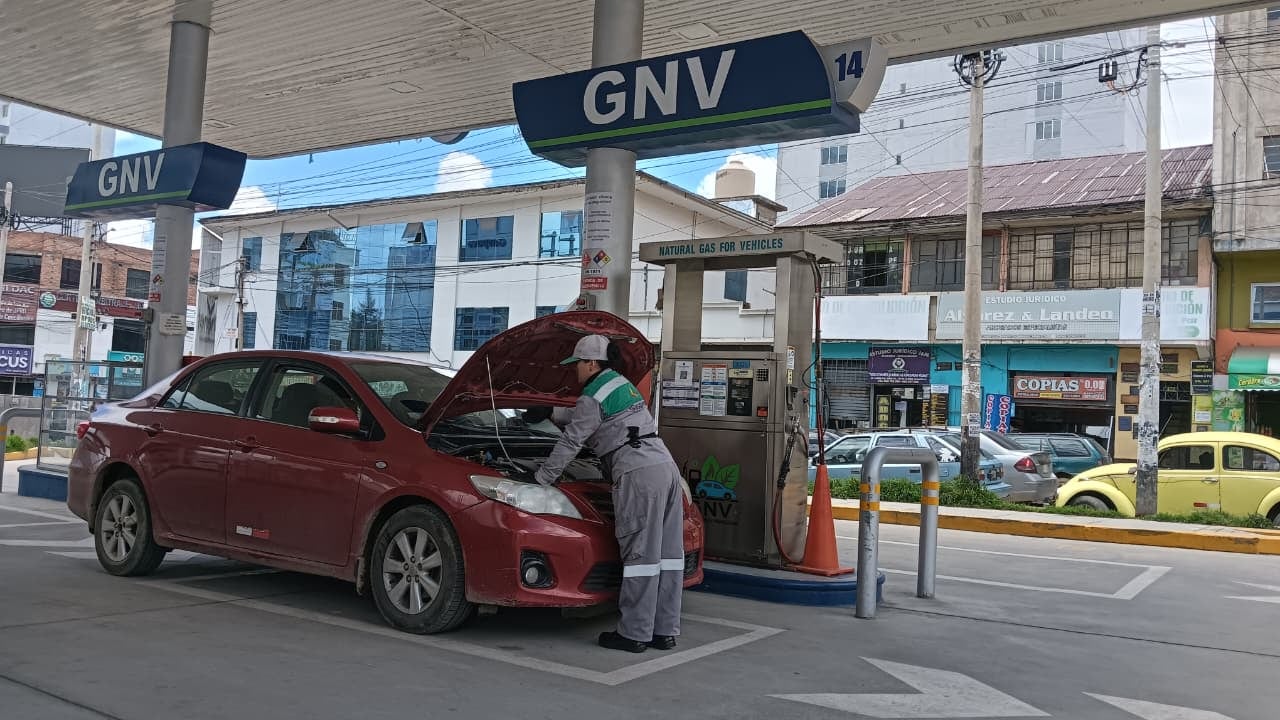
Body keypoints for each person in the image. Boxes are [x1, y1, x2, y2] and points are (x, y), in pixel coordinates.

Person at [530, 334, 684, 654]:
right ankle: (663, 630)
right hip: (665, 467)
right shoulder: (620, 385)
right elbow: (596, 420)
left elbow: (573, 440)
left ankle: (634, 634)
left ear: (590, 363)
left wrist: (542, 479)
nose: (575, 372)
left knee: (641, 556)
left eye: (577, 366)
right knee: (668, 556)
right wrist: (550, 412)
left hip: (637, 472)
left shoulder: (592, 394)